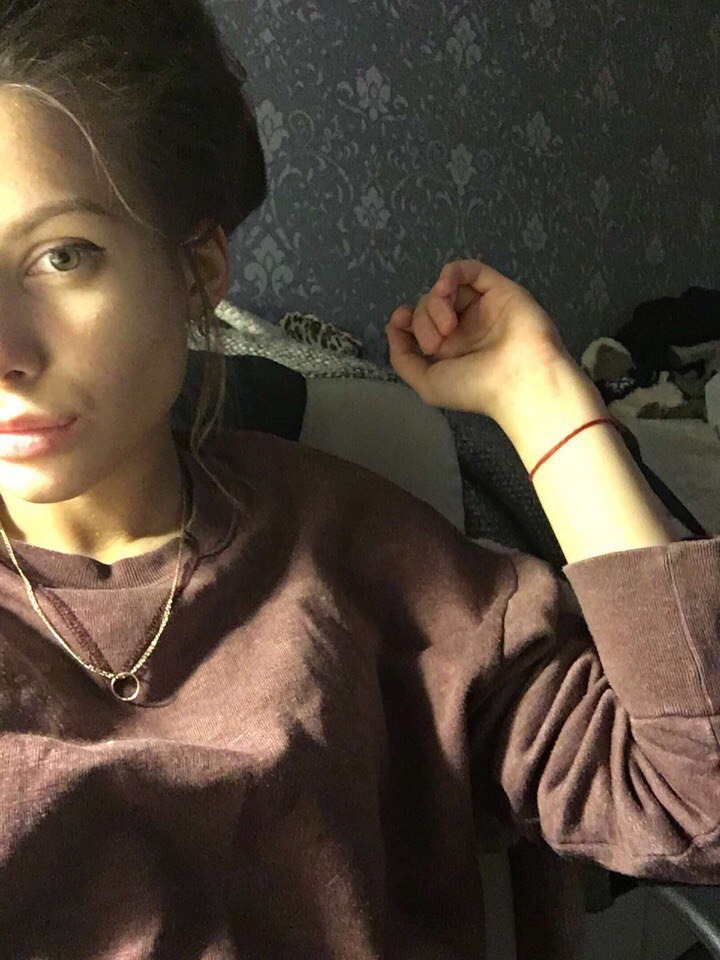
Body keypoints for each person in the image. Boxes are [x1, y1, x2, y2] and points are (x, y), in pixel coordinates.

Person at [0, 1, 716, 958]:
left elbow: (696, 795)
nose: (4, 351)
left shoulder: (365, 556)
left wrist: (543, 396)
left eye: (60, 256)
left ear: (196, 268)